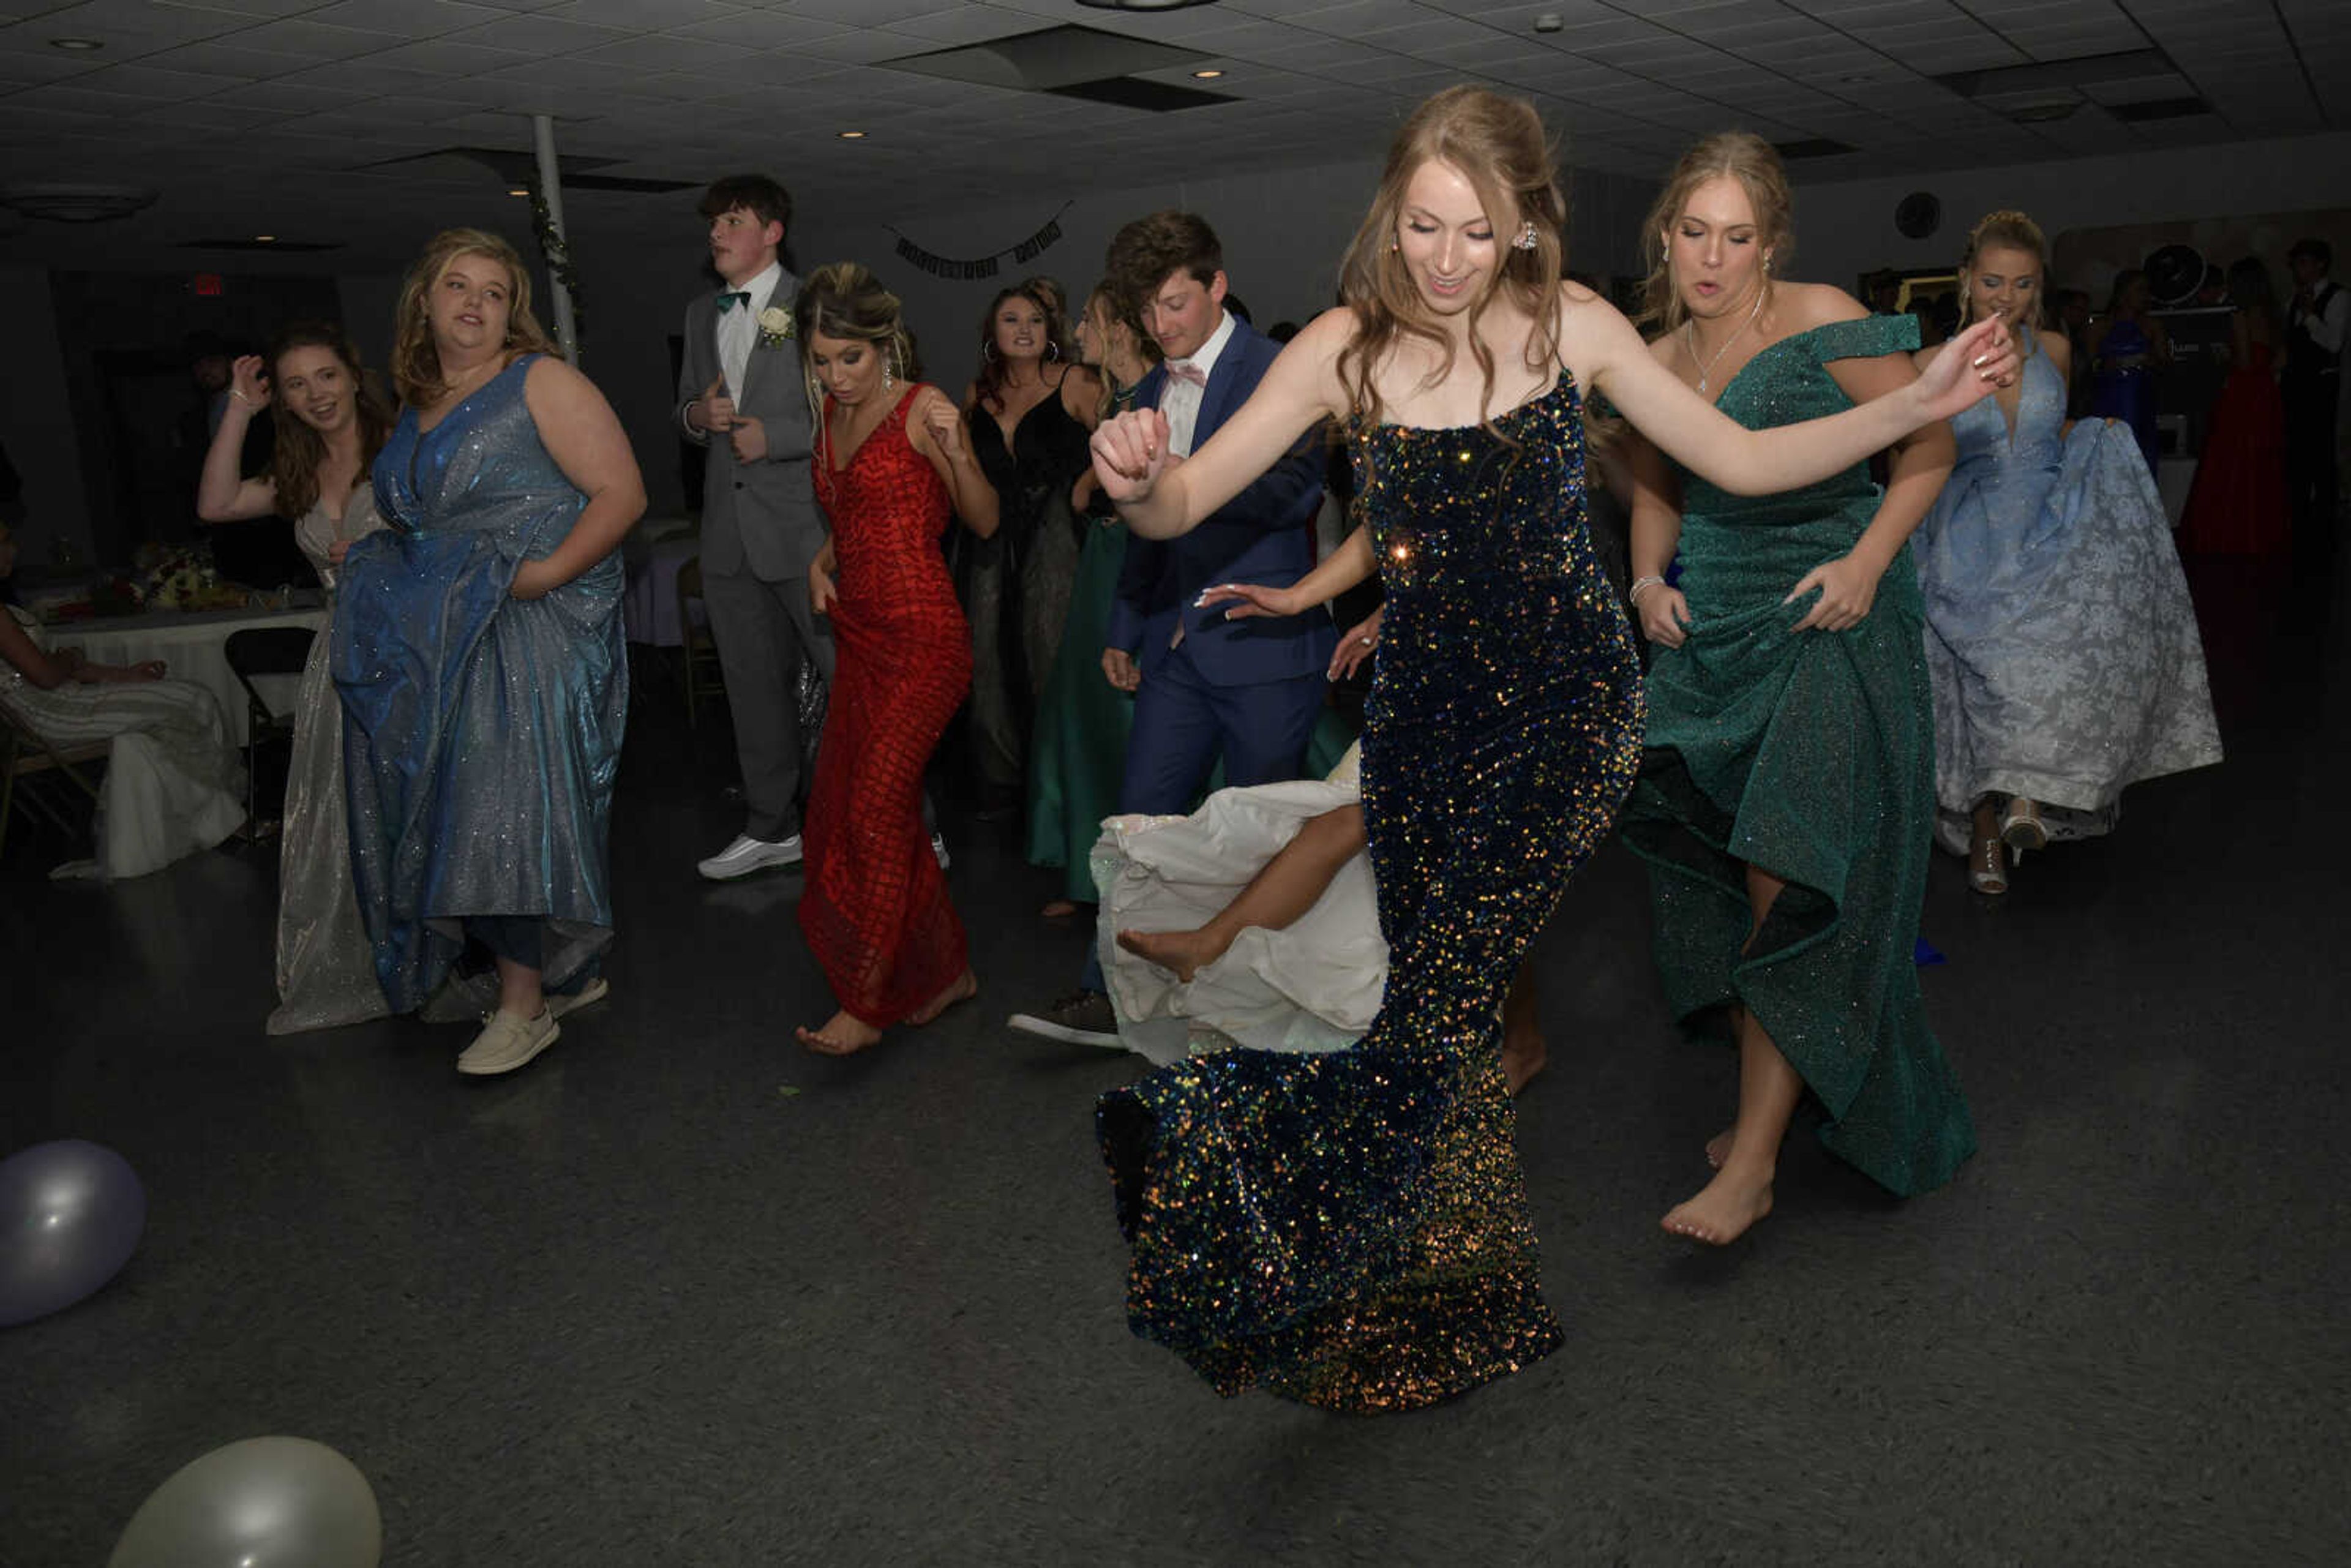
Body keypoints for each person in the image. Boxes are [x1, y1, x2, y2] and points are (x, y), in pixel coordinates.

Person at [1085, 88, 2015, 1409]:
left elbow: (1742, 462)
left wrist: (1906, 404)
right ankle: (1456, 1298)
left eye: (1477, 228)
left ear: (1526, 222)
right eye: (1422, 224)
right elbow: (1183, 494)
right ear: (1390, 214)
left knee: (1432, 1003)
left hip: (1563, 713)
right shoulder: (1347, 347)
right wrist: (1135, 478)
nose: (1447, 257)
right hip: (1417, 720)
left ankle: (1243, 1211)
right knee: (1448, 1014)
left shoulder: (1573, 327)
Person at [1616, 132, 1981, 1247]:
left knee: (1789, 871)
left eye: (1736, 236)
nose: (1712, 259)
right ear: (1666, 236)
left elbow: (1931, 446)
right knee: (1723, 881)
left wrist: (1868, 563)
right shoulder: (1653, 357)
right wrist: (1643, 580)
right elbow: (1656, 488)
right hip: (1717, 628)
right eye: (1693, 233)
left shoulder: (1822, 315)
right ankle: (1811, 1081)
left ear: (1769, 242)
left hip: (1832, 613)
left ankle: (1757, 1162)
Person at [1007, 211, 1335, 1048]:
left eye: (1175, 303)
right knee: (1139, 825)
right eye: (1146, 311)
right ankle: (1110, 994)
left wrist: (1183, 481)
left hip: (1265, 646)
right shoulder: (1150, 390)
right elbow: (1145, 533)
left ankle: (1253, 1004)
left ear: (1217, 286)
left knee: (1263, 841)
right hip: (1177, 651)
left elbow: (1290, 496)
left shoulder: (1278, 373)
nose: (1161, 326)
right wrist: (1125, 624)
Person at [335, 228, 643, 1076]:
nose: (474, 303)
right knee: (449, 804)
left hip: (529, 627)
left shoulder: (538, 380)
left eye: (494, 292)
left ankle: (521, 1007)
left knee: (497, 806)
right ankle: (549, 974)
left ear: (514, 310)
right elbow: (424, 519)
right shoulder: (417, 400)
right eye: (456, 286)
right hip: (447, 631)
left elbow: (623, 493)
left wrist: (542, 576)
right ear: (424, 303)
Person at [1910, 210, 2222, 894]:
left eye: (2022, 284)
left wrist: (2094, 430)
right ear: (1966, 280)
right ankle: (1986, 827)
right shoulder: (1932, 364)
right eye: (1993, 280)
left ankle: (2024, 795)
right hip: (1971, 536)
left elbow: (2046, 432)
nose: (2006, 297)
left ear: (2038, 286)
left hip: (2049, 529)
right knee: (1982, 677)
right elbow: (1916, 455)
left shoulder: (2052, 347)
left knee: (2047, 664)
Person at [792, 264, 999, 1054]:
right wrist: (823, 560)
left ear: (884, 345)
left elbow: (980, 520)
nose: (838, 375)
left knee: (877, 806)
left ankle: (867, 1001)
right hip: (862, 636)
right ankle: (947, 972)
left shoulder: (922, 409)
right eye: (821, 359)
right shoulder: (828, 419)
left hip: (923, 640)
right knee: (863, 807)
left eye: (851, 358)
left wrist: (959, 449)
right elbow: (857, 512)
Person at [195, 322, 395, 1032]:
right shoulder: (299, 474)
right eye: (297, 385)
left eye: (327, 376)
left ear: (354, 375)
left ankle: (453, 955)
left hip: (413, 652)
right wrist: (239, 411)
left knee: (420, 808)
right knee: (349, 818)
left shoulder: (408, 450)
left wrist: (392, 550)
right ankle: (379, 960)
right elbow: (215, 505)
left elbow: (466, 540)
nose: (317, 394)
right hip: (341, 655)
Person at [678, 174, 834, 883]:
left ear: (771, 232)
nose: (717, 234)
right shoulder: (699, 311)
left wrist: (777, 436)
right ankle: (773, 826)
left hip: (802, 533)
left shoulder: (815, 306)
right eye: (714, 223)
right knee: (749, 688)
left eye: (732, 221)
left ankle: (911, 825)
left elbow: (850, 409)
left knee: (851, 679)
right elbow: (687, 406)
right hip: (728, 535)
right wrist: (693, 419)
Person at [1, 522, 244, 879]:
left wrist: (128, 675)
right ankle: (222, 818)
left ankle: (198, 824)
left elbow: (63, 670)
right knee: (194, 700)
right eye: (4, 541)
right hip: (49, 713)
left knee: (173, 711)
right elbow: (47, 675)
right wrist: (68, 658)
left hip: (61, 699)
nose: (15, 550)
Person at [1026, 282, 1158, 920]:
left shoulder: (1161, 392)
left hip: (1139, 569)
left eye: (1088, 318)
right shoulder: (1117, 395)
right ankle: (1092, 873)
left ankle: (1147, 876)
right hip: (1102, 565)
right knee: (1085, 709)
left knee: (1128, 716)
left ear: (1123, 328)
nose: (1078, 329)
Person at [953, 280, 1101, 817]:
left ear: (1050, 332)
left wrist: (1084, 487)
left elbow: (1122, 443)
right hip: (992, 540)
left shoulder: (1078, 382)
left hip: (1061, 537)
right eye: (1011, 319)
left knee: (1051, 652)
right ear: (993, 333)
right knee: (988, 656)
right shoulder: (978, 395)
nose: (1023, 329)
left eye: (1034, 320)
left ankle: (1064, 786)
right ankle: (1008, 787)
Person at [2179, 257, 2291, 558]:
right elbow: (2282, 360)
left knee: (2232, 460)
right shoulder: (2273, 315)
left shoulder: (2241, 315)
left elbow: (2242, 361)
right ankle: (2260, 531)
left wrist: (2225, 357)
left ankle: (2230, 532)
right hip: (2265, 391)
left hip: (2243, 392)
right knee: (2260, 461)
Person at [2284, 237, 2346, 559]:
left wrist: (2310, 316)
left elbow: (2334, 343)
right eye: (2296, 263)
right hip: (2296, 386)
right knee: (2296, 452)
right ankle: (2299, 520)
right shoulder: (2294, 299)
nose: (2298, 269)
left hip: (2321, 386)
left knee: (2320, 453)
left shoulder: (2338, 297)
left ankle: (2324, 522)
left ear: (2320, 264)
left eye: (2304, 262)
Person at [2088, 268, 2170, 473]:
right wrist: (2105, 366)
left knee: (2140, 454)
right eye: (2140, 290)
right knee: (2110, 457)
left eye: (2147, 290)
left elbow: (2165, 365)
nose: (2146, 296)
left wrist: (2149, 360)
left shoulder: (2152, 325)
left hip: (2140, 398)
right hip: (2109, 399)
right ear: (2123, 293)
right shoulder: (2099, 326)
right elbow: (2085, 368)